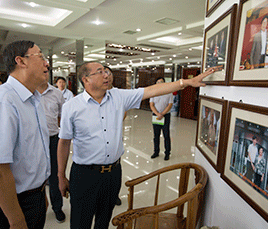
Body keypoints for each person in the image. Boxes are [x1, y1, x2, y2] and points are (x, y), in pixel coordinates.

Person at [57, 61, 215, 229]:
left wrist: (187, 82)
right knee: (80, 222)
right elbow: (64, 142)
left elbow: (152, 90)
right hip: (84, 176)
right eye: (100, 72)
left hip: (112, 174)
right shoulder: (71, 107)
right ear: (86, 79)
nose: (106, 75)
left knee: (104, 220)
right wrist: (60, 175)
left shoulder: (118, 97)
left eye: (105, 71)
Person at [0, 40, 51, 229]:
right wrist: (16, 219)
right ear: (21, 61)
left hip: (33, 196)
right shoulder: (2, 102)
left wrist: (40, 194)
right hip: (7, 204)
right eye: (40, 56)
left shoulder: (33, 98)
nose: (46, 63)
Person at [37, 81, 66, 223]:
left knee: (55, 176)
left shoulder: (56, 93)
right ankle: (38, 209)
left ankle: (57, 207)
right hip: (33, 142)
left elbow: (62, 116)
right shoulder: (27, 91)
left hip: (53, 140)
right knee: (35, 177)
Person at [104, 66, 122, 206]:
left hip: (114, 137)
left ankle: (114, 195)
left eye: (109, 73)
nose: (107, 76)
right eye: (103, 73)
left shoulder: (118, 94)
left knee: (115, 165)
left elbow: (124, 112)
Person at [150, 77, 173, 161]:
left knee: (166, 135)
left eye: (161, 82)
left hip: (165, 116)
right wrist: (157, 114)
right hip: (156, 115)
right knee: (156, 135)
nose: (159, 83)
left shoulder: (169, 93)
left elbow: (170, 105)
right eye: (158, 82)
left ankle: (167, 153)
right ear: (156, 84)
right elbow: (151, 105)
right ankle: (156, 152)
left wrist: (162, 114)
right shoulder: (153, 93)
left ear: (164, 83)